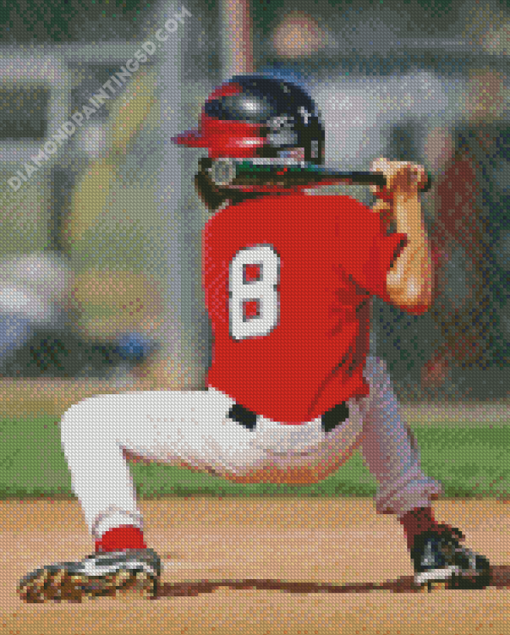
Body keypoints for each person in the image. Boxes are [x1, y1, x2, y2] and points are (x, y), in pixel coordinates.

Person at [17, 76, 490, 603]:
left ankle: (120, 545)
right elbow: (412, 289)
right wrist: (403, 202)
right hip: (333, 438)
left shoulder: (220, 232)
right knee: (370, 371)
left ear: (244, 161)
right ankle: (426, 542)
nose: (208, 168)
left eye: (216, 154)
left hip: (241, 438)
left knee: (87, 420)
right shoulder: (342, 217)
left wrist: (385, 206)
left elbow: (320, 259)